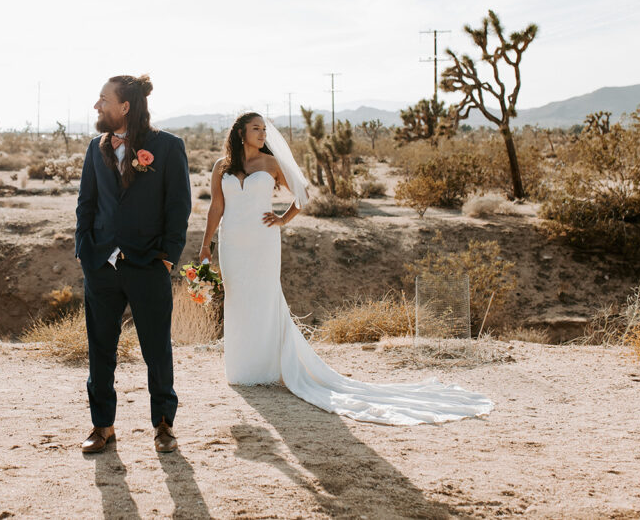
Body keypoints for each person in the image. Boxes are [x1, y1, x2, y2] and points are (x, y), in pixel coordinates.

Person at [199, 112, 493, 425]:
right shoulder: (222, 166)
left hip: (262, 243)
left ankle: (268, 369)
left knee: (264, 300)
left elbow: (302, 195)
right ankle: (243, 370)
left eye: (263, 129)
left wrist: (283, 219)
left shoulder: (271, 165)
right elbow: (216, 206)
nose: (262, 133)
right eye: (255, 129)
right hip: (232, 244)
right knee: (238, 300)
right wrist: (206, 246)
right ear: (241, 132)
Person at [75, 74, 191, 452]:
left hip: (148, 265)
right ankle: (102, 427)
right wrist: (85, 252)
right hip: (101, 266)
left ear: (125, 106)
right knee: (100, 350)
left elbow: (179, 207)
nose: (97, 106)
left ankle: (163, 425)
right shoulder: (96, 148)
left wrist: (167, 260)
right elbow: (86, 205)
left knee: (156, 350)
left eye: (103, 100)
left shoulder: (168, 147)